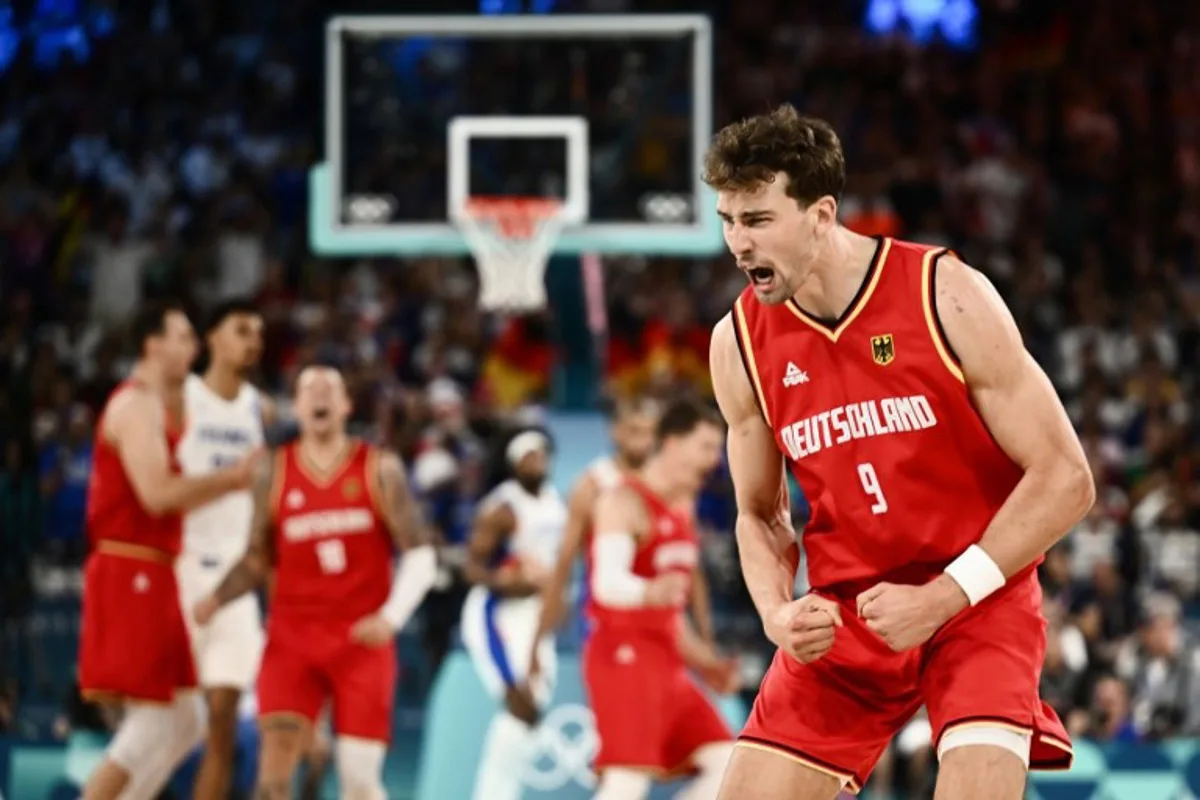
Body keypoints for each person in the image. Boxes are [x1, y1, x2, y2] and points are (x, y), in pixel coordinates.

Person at [703, 104, 1094, 800]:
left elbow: (1066, 478)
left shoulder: (944, 292)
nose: (737, 242)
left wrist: (944, 596)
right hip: (847, 615)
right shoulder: (738, 343)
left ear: (821, 214)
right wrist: (774, 613)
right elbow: (760, 514)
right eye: (728, 220)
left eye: (757, 220)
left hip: (976, 598)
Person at [193, 365, 438, 799]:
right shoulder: (273, 471)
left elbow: (420, 554)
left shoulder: (380, 469)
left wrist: (391, 618)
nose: (319, 393)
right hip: (293, 642)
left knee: (359, 783)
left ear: (346, 406)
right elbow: (256, 559)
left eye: (330, 388)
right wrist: (215, 598)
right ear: (298, 407)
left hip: (361, 641)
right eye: (308, 388)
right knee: (272, 778)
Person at [79, 301, 261, 800]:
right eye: (182, 337)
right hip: (131, 565)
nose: (192, 346)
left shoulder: (158, 404)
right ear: (152, 344)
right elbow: (156, 494)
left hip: (153, 568)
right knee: (155, 721)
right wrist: (232, 479)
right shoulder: (134, 405)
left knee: (185, 721)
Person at [586, 397, 737, 800]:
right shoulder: (623, 501)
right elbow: (606, 583)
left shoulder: (682, 509)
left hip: (667, 661)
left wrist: (706, 662)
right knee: (625, 782)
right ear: (672, 444)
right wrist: (648, 590)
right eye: (706, 447)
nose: (714, 460)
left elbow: (671, 613)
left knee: (730, 768)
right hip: (623, 655)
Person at [175, 298, 275, 800]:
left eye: (258, 333)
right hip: (182, 566)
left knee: (222, 721)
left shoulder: (261, 408)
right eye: (241, 329)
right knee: (165, 723)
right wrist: (228, 480)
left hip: (235, 580)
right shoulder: (181, 398)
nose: (252, 341)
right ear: (211, 337)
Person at [459, 427, 566, 800]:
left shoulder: (555, 501)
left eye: (541, 455)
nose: (537, 463)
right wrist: (505, 578)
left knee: (532, 706)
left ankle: (498, 792)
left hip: (535, 612)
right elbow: (471, 567)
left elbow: (559, 566)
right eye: (529, 457)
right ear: (514, 464)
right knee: (519, 703)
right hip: (496, 612)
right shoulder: (501, 508)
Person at [527, 395, 660, 675]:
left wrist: (705, 635)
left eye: (650, 432)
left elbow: (687, 563)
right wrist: (538, 641)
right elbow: (564, 561)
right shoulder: (591, 486)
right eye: (634, 431)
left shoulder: (667, 484)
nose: (643, 441)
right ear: (615, 431)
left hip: (660, 614)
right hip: (607, 617)